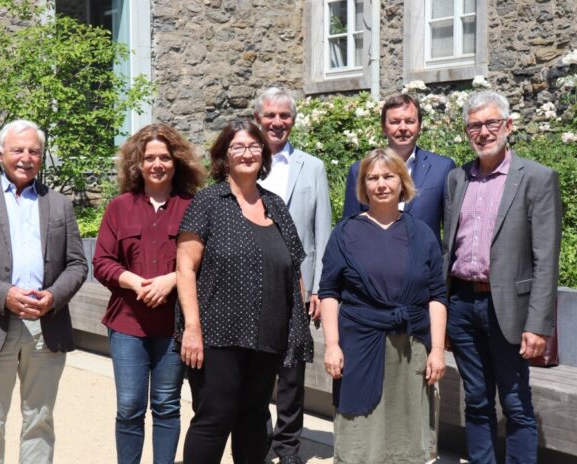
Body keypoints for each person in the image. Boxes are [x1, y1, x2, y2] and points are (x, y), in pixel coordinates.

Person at [0, 119, 88, 464]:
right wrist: (4, 294)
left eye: (34, 151)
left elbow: (77, 265)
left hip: (45, 325)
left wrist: (53, 296)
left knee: (40, 420)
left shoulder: (59, 205)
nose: (26, 157)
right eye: (17, 150)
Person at [176, 119, 314, 464]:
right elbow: (185, 268)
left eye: (254, 147)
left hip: (268, 336)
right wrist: (192, 328)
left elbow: (292, 267)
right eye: (238, 147)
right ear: (224, 155)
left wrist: (296, 325)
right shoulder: (209, 202)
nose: (247, 153)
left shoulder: (276, 204)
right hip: (217, 336)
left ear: (264, 154)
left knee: (254, 420)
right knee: (214, 418)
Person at [443, 91, 562, 463]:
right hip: (461, 304)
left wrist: (539, 324)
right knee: (476, 400)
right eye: (475, 125)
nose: (483, 132)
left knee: (516, 404)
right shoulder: (456, 179)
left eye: (491, 123)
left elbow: (546, 258)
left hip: (508, 309)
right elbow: (449, 246)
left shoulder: (537, 179)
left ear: (508, 126)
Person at [319, 148, 447, 463]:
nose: (381, 184)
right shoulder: (346, 232)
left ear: (402, 182)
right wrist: (332, 345)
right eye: (372, 178)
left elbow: (437, 295)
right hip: (360, 344)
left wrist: (438, 350)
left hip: (411, 345)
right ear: (363, 186)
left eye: (388, 176)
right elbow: (330, 292)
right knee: (360, 435)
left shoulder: (422, 234)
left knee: (407, 434)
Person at [92, 124, 206, 464]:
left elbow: (206, 261)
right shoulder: (119, 207)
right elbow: (102, 261)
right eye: (149, 158)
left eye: (165, 157)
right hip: (127, 323)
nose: (157, 164)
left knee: (167, 403)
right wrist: (133, 281)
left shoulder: (194, 206)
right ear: (137, 164)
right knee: (129, 405)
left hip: (173, 324)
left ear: (177, 162)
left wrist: (171, 279)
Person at [254, 87, 332, 464]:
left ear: (293, 121)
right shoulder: (243, 162)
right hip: (250, 284)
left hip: (297, 285)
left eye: (284, 116)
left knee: (291, 372)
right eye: (270, 115)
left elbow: (322, 230)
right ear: (258, 119)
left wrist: (319, 286)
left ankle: (288, 447)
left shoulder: (312, 167)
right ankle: (259, 438)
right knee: (253, 369)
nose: (277, 122)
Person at [342, 94, 455, 242]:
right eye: (395, 122)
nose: (403, 128)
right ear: (383, 127)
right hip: (374, 262)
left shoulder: (442, 168)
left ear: (419, 125)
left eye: (409, 121)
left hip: (425, 263)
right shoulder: (360, 170)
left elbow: (452, 231)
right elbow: (350, 230)